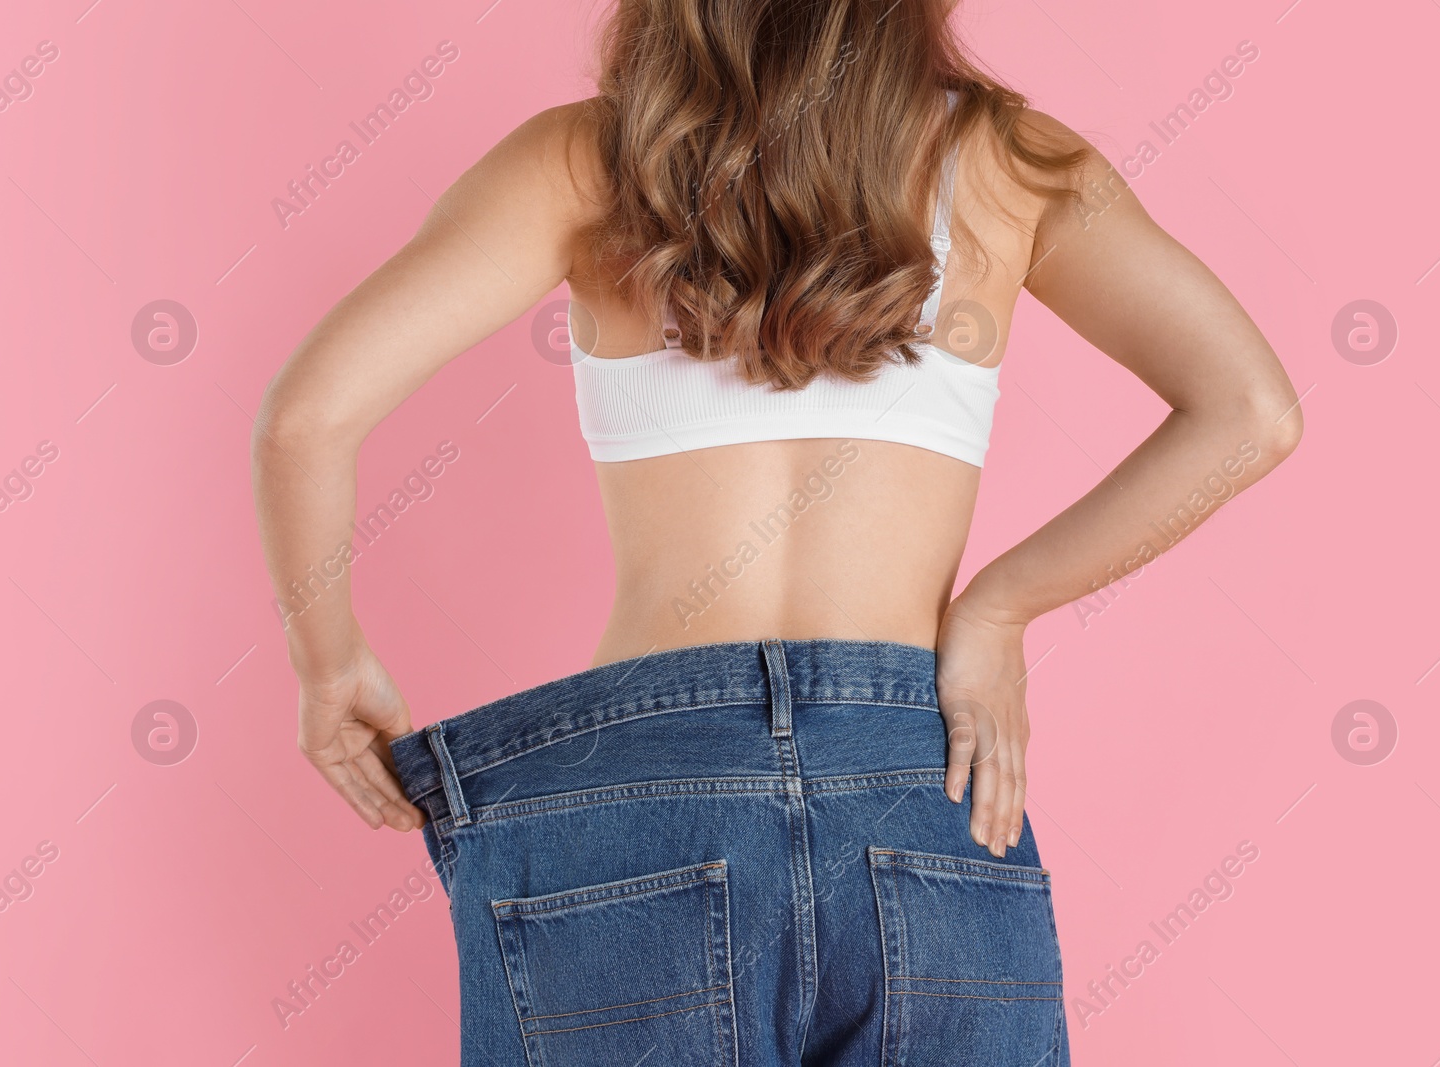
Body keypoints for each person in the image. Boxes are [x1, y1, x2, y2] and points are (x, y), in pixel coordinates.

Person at [251, 3, 1302, 1063]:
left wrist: (327, 663)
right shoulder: (1009, 161)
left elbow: (304, 419)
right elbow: (1250, 412)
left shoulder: (587, 162)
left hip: (646, 792)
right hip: (920, 780)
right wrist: (1000, 606)